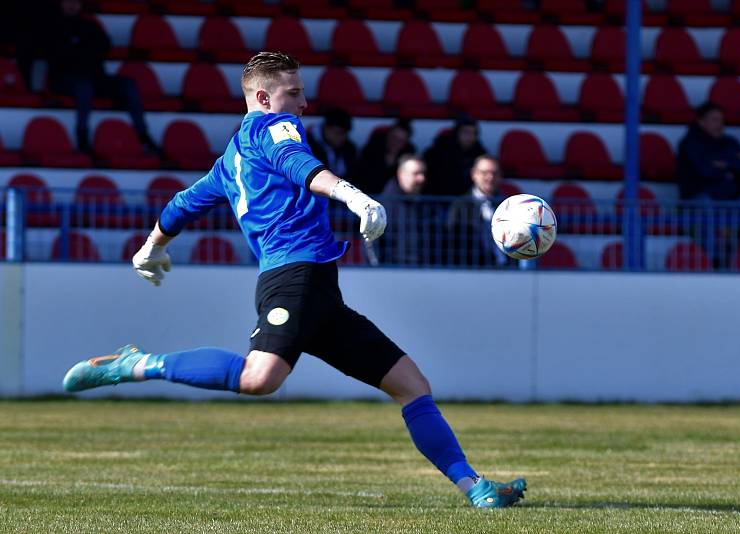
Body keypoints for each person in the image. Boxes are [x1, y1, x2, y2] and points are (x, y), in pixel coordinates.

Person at [61, 52, 526, 509]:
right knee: (259, 378)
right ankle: (137, 363)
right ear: (263, 97)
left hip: (320, 291)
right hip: (292, 281)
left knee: (412, 384)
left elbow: (183, 203)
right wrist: (353, 196)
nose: (304, 104)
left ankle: (476, 488)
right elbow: (297, 163)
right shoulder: (272, 128)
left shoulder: (230, 161)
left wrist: (152, 245)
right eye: (295, 93)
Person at [45, 0, 159, 154]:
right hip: (65, 79)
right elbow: (57, 55)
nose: (72, 5)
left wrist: (79, 52)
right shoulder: (52, 27)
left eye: (76, 1)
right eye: (68, 1)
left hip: (95, 77)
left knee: (127, 84)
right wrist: (82, 53)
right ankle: (82, 135)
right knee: (84, 87)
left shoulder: (90, 26)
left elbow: (105, 46)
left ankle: (143, 134)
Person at [677, 102, 740, 202]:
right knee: (704, 201)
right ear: (701, 122)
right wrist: (732, 165)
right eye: (715, 120)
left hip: (733, 194)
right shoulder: (690, 144)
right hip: (702, 196)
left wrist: (725, 164)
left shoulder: (730, 142)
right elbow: (705, 171)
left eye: (722, 120)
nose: (720, 124)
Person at [376, 154, 444, 266]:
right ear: (401, 175)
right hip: (392, 271)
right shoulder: (381, 207)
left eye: (423, 173)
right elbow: (371, 245)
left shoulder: (429, 204)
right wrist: (381, 270)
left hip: (426, 270)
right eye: (416, 173)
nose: (421, 178)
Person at [446, 155, 510, 267]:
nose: (490, 177)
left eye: (494, 173)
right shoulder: (460, 206)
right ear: (474, 174)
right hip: (473, 269)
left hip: (507, 268)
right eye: (484, 173)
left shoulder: (508, 205)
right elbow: (453, 241)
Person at [424, 117, 487, 197]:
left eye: (474, 133)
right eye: (466, 132)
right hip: (438, 198)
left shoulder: (480, 154)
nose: (470, 137)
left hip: (467, 201)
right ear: (457, 133)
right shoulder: (438, 151)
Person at [354, 119, 416, 194]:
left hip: (397, 200)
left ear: (406, 143)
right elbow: (362, 177)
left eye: (401, 141)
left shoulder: (409, 156)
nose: (395, 143)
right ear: (388, 136)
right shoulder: (371, 151)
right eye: (394, 137)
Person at [307, 107, 358, 180]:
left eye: (344, 133)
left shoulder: (349, 149)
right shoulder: (309, 147)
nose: (341, 137)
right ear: (326, 128)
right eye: (337, 133)